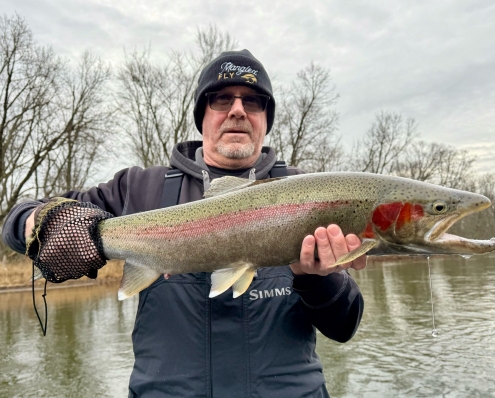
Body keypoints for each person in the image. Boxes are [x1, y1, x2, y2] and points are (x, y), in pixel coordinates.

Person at [2, 49, 366, 397]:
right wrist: (43, 223)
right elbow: (17, 222)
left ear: (266, 119)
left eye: (253, 101)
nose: (237, 110)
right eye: (222, 99)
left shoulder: (312, 193)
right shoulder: (139, 188)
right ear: (201, 116)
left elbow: (345, 327)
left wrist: (316, 279)